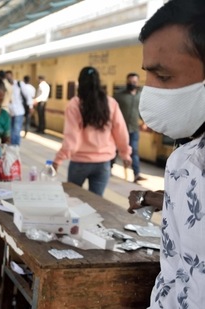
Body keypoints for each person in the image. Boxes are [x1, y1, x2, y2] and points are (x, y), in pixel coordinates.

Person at [136, 1, 205, 307]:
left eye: (163, 78)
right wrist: (157, 199)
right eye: (146, 77)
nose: (149, 92)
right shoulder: (186, 159)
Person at [52, 67, 131, 196]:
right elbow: (120, 132)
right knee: (97, 203)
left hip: (80, 163)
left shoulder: (75, 104)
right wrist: (125, 154)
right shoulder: (110, 103)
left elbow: (71, 139)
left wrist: (58, 160)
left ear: (80, 82)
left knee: (73, 200)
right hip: (103, 164)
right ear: (99, 82)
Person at [114, 73, 147, 183]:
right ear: (126, 82)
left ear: (137, 82)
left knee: (134, 151)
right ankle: (107, 168)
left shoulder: (140, 96)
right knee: (114, 150)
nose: (132, 84)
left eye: (134, 82)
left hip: (134, 129)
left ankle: (136, 174)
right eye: (130, 82)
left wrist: (144, 122)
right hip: (118, 129)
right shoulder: (118, 96)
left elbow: (142, 110)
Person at [5, 70, 25, 145]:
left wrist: (30, 106)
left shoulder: (19, 84)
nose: (8, 78)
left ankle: (15, 145)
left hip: (19, 111)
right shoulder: (5, 86)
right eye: (7, 77)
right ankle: (12, 145)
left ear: (12, 76)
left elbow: (27, 94)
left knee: (16, 130)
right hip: (9, 111)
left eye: (9, 76)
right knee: (11, 130)